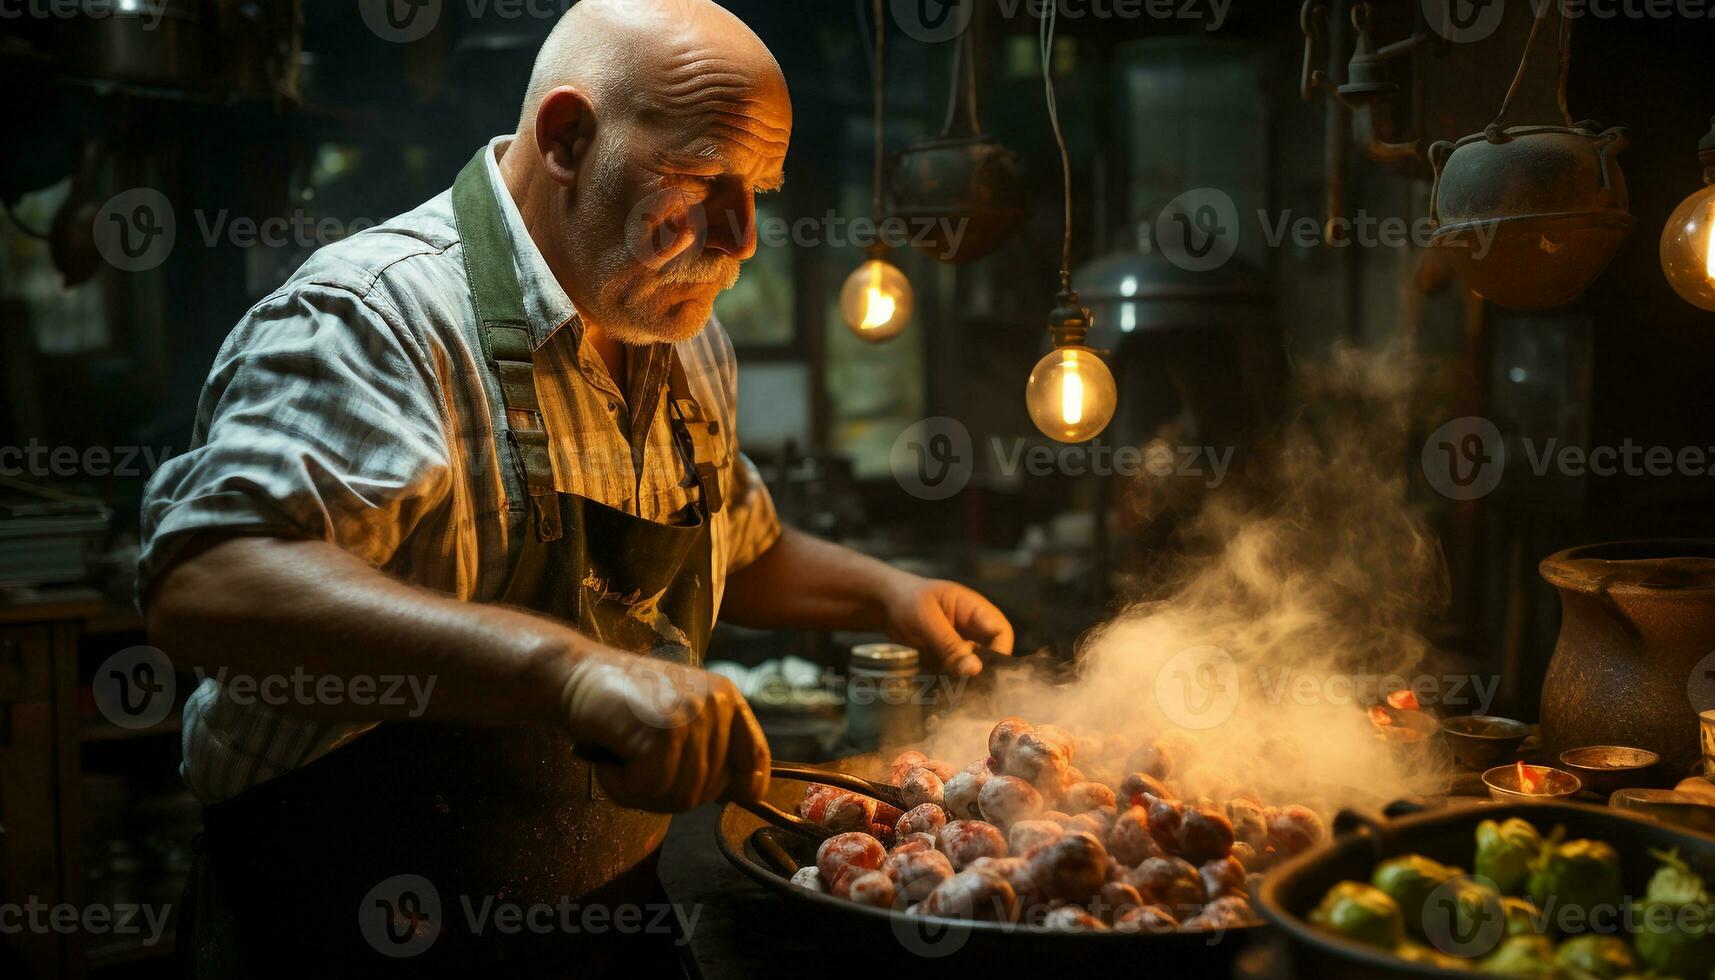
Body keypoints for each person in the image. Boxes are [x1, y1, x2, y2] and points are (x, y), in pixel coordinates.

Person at [139, 1, 1013, 975]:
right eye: (699, 178)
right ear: (567, 138)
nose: (743, 235)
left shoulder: (675, 330)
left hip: (597, 921)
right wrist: (571, 671)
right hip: (339, 922)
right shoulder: (377, 317)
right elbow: (205, 584)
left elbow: (741, 541)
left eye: (759, 189)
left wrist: (886, 594)